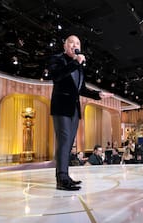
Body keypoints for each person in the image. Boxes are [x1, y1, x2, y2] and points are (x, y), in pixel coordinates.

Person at [46, 35, 113, 191]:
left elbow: (81, 89)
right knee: (63, 141)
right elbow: (56, 76)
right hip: (61, 107)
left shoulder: (79, 66)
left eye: (77, 43)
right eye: (71, 42)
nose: (74, 45)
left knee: (69, 143)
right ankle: (61, 179)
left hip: (74, 109)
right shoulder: (57, 59)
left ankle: (65, 175)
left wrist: (98, 94)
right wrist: (76, 62)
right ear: (65, 45)